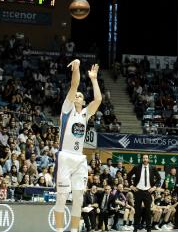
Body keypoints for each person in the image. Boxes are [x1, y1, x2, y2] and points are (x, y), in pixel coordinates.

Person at [54, 59, 102, 232]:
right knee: (61, 197)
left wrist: (94, 79)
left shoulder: (85, 114)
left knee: (78, 199)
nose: (77, 96)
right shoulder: (67, 109)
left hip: (79, 159)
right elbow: (74, 84)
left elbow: (98, 99)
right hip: (65, 156)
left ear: (83, 101)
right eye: (75, 95)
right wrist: (77, 68)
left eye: (80, 96)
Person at [127, 154, 161, 232]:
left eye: (146, 158)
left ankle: (148, 228)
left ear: (148, 159)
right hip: (138, 191)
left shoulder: (152, 168)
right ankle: (135, 228)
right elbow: (129, 175)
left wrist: (154, 187)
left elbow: (159, 178)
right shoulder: (137, 167)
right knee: (137, 211)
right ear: (142, 159)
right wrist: (131, 186)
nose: (145, 159)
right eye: (144, 158)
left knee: (148, 211)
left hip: (148, 191)